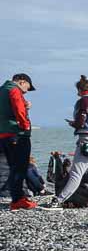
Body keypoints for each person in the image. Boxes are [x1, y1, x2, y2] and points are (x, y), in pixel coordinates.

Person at [46, 76, 88, 209]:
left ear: (82, 89)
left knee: (76, 172)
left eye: (78, 91)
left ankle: (58, 200)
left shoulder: (85, 100)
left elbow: (81, 120)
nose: (77, 94)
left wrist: (73, 124)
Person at [0, 73, 37, 210]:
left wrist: (23, 104)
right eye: (26, 88)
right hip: (17, 134)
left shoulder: (2, 90)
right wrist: (25, 125)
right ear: (22, 81)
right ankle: (18, 200)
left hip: (3, 135)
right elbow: (17, 108)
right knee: (20, 167)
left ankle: (17, 197)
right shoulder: (13, 89)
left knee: (12, 166)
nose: (26, 92)